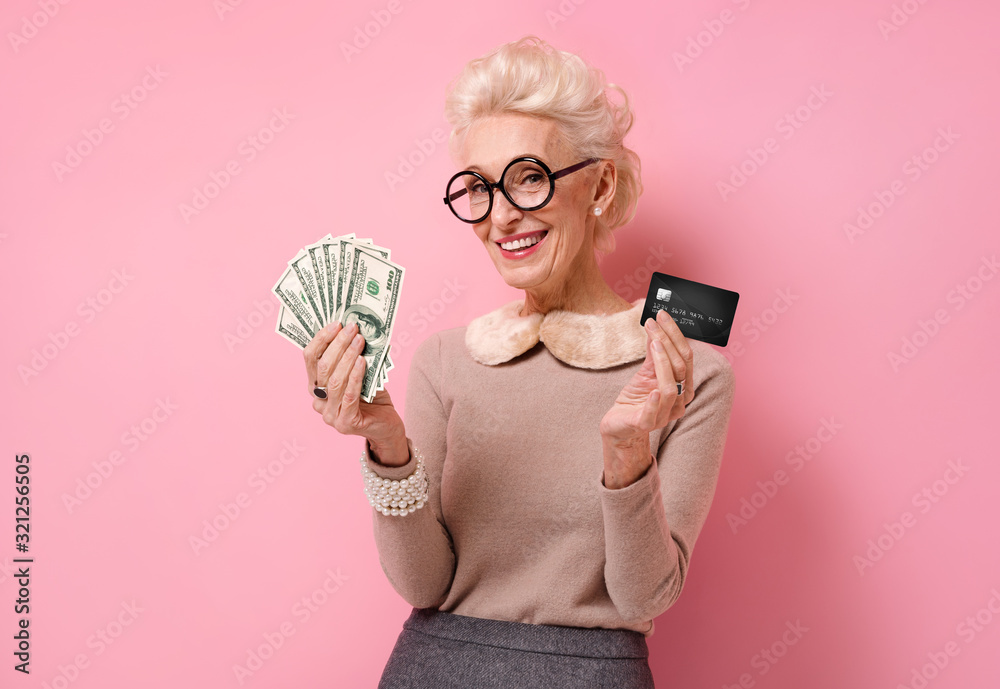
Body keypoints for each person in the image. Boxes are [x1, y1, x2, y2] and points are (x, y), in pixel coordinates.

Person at [303, 36, 735, 689]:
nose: (501, 216)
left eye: (529, 177)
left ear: (601, 183)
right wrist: (386, 444)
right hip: (431, 668)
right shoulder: (446, 360)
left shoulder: (688, 376)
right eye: (478, 188)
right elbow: (424, 583)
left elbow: (642, 596)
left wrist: (626, 456)